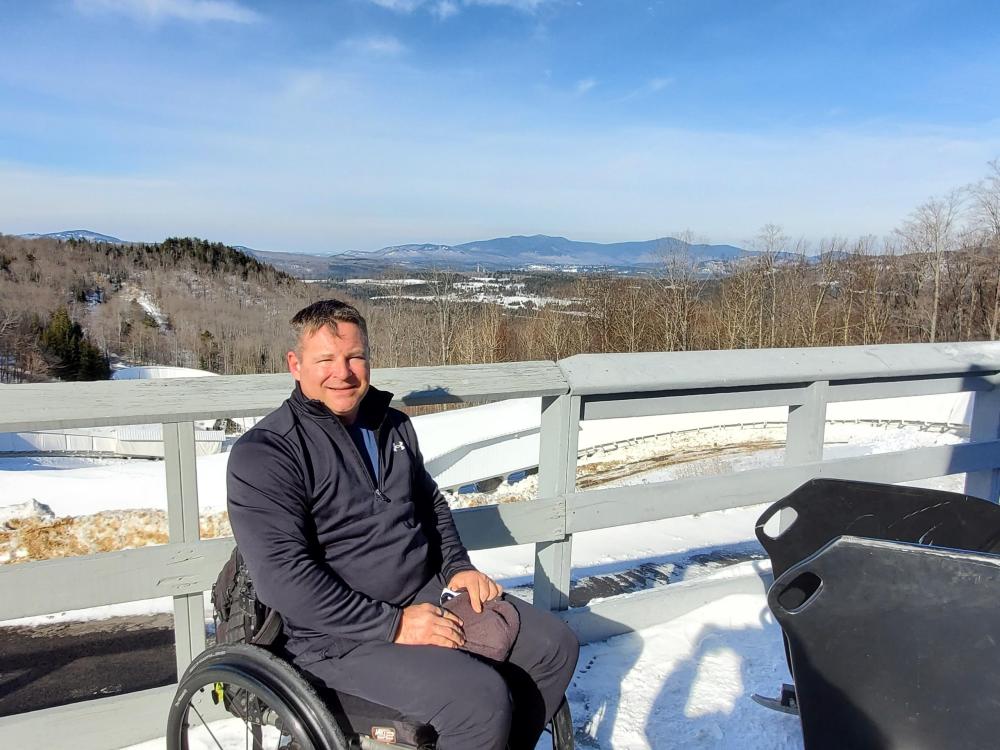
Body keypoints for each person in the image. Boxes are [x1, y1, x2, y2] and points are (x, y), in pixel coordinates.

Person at [227, 299, 579, 750]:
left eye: (355, 357)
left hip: (424, 597)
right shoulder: (267, 453)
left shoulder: (391, 426)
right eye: (325, 360)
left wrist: (457, 567)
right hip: (336, 639)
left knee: (554, 645)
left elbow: (429, 502)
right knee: (480, 700)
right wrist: (395, 626)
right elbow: (284, 581)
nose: (344, 372)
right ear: (295, 365)